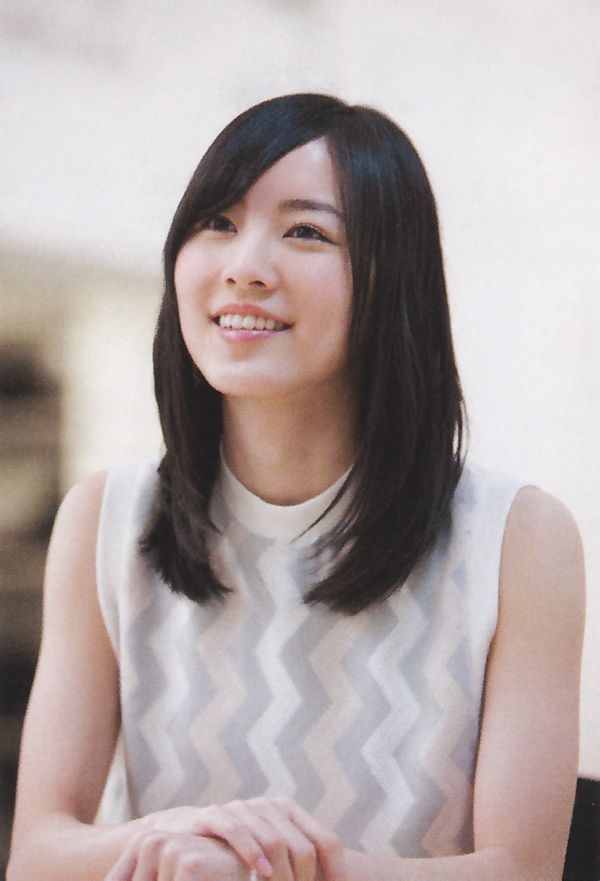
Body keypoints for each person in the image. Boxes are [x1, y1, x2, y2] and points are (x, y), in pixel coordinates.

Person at [7, 93, 585, 881]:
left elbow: (520, 870)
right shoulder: (108, 516)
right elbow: (37, 855)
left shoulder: (518, 537)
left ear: (391, 276)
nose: (244, 266)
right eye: (217, 221)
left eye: (306, 231)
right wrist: (184, 835)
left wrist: (269, 865)